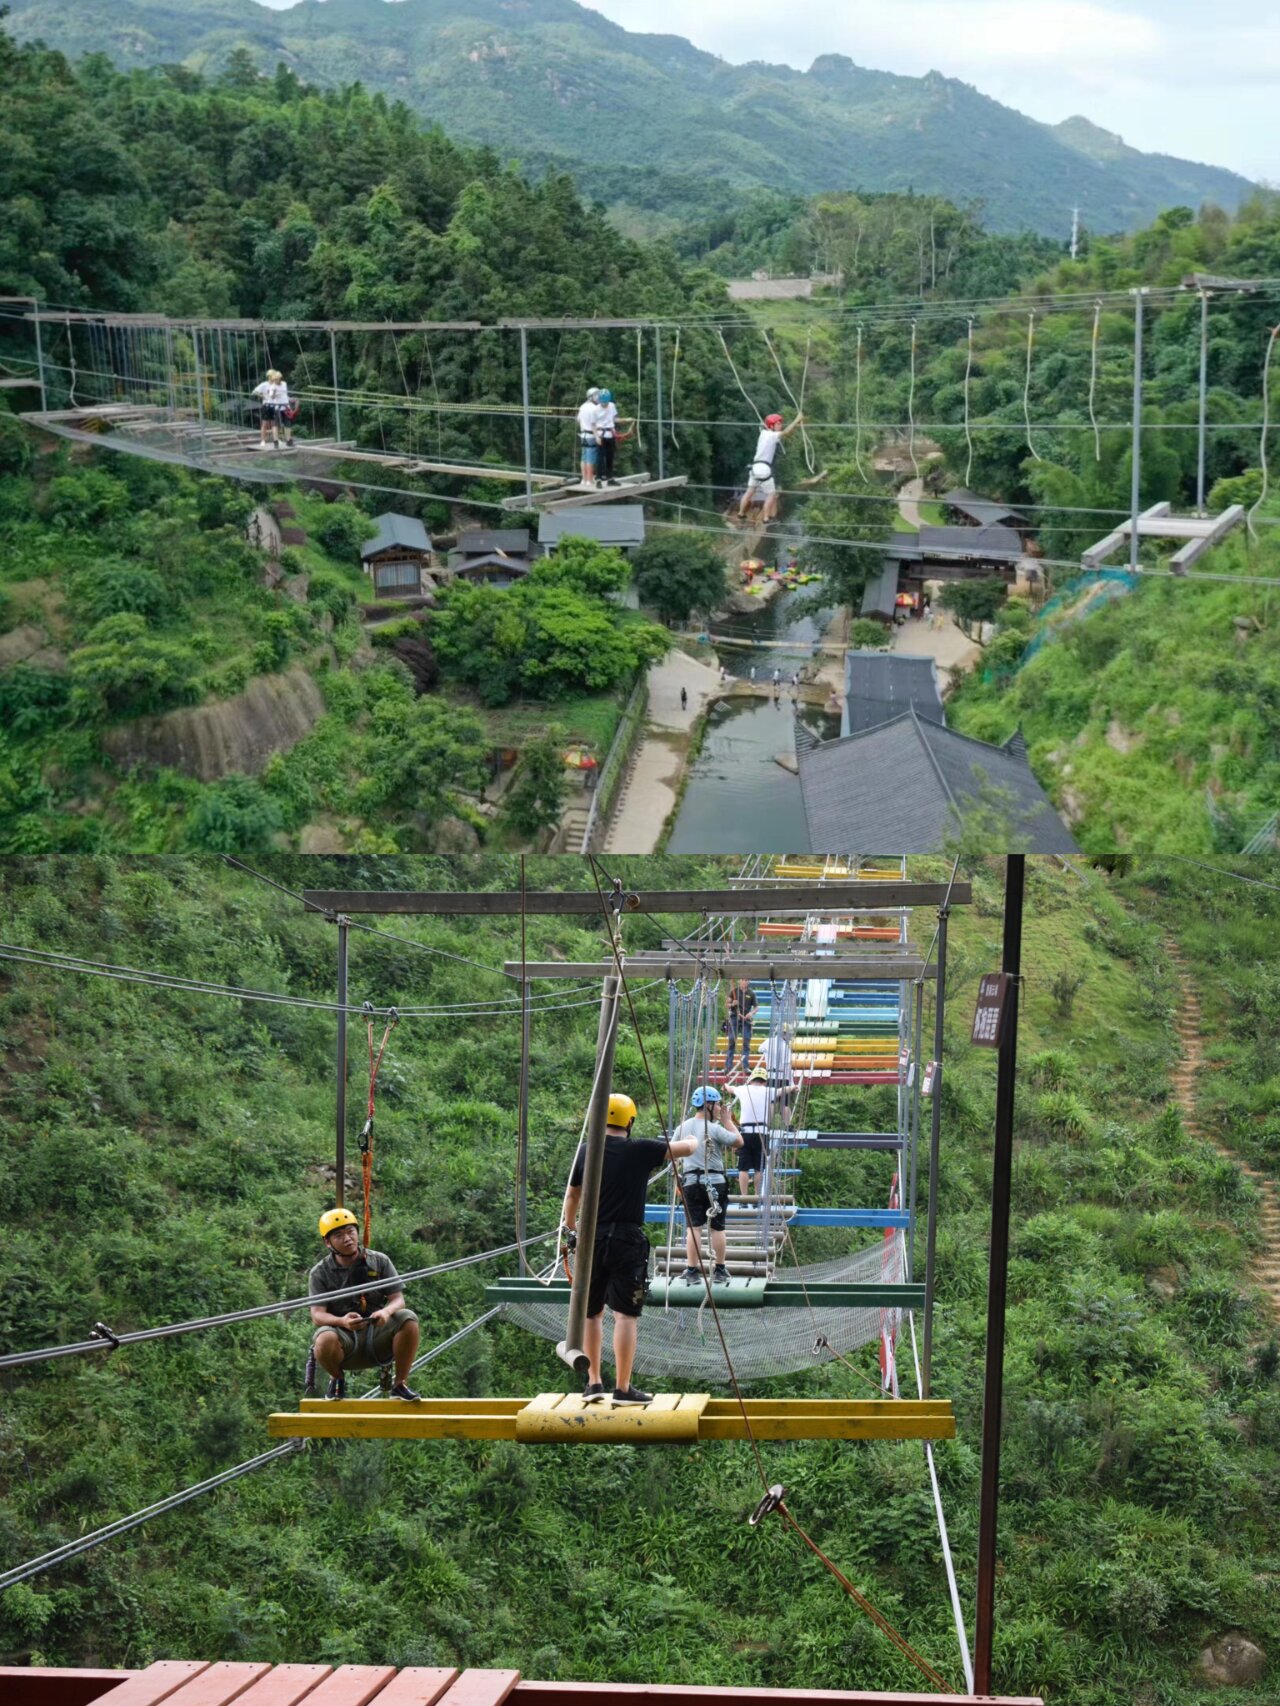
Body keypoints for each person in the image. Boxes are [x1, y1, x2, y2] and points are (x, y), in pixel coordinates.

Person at [563, 1092, 697, 1405]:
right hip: (626, 1240)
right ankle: (623, 1388)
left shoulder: (585, 1151)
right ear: (630, 1121)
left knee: (591, 1314)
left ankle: (593, 1383)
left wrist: (569, 1232)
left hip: (590, 1241)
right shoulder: (641, 1149)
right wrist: (692, 1136)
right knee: (625, 1316)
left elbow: (572, 1197)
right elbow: (687, 1148)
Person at [308, 1207, 421, 1401]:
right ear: (327, 1242)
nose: (347, 1239)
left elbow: (398, 1299)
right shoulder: (320, 1273)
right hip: (344, 1339)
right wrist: (342, 1321)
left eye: (351, 1231)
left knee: (408, 1318)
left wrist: (385, 1313)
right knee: (323, 1338)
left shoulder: (379, 1261)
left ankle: (400, 1384)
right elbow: (317, 1315)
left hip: (377, 1334)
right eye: (339, 1235)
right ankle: (337, 1380)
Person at [672, 1086, 742, 1286]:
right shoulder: (715, 1129)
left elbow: (673, 1152)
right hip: (715, 1183)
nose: (720, 1108)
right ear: (709, 1105)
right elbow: (739, 1141)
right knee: (717, 1227)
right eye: (718, 1104)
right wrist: (728, 1122)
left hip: (691, 1183)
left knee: (693, 1227)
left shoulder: (682, 1128)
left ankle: (692, 1270)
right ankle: (719, 1269)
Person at [738, 411, 804, 524]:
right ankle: (766, 518)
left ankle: (741, 513)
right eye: (778, 424)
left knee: (750, 491)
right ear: (771, 426)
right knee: (771, 494)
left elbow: (786, 433)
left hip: (754, 468)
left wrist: (796, 425)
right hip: (764, 469)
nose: (780, 426)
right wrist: (797, 420)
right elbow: (786, 433)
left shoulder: (763, 434)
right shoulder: (772, 435)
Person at [730, 1075, 774, 1198]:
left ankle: (744, 1197)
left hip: (745, 1133)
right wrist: (794, 1087)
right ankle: (757, 1197)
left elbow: (731, 1088)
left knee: (743, 1168)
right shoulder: (769, 1090)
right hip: (762, 1133)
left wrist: (726, 1087)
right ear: (764, 1082)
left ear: (750, 1080)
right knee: (759, 1168)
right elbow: (784, 1090)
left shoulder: (743, 1089)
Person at [761, 1023, 797, 1125]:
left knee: (771, 1102)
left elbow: (760, 1048)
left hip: (770, 1076)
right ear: (784, 1034)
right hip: (783, 1077)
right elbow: (787, 1068)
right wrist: (792, 1083)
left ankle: (766, 1125)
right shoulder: (785, 1048)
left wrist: (768, 1053)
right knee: (784, 1104)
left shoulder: (768, 1042)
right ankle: (788, 1125)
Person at [252, 369, 294, 451]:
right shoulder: (266, 385)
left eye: (275, 377)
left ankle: (280, 439)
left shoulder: (283, 384)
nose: (273, 379)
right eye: (272, 377)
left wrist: (289, 399)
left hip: (279, 406)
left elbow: (284, 394)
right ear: (269, 377)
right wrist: (262, 396)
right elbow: (255, 392)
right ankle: (263, 440)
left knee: (277, 424)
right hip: (268, 405)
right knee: (265, 423)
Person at [724, 977, 757, 1077]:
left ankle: (745, 1066)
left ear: (749, 981)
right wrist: (732, 1004)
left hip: (745, 1019)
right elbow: (726, 1004)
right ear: (740, 981)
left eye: (747, 980)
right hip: (734, 1017)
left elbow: (756, 1007)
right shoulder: (734, 991)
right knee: (732, 1041)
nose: (745, 981)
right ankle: (728, 1066)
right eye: (743, 979)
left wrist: (751, 1013)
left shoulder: (751, 993)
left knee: (746, 1041)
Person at [577, 387, 602, 484]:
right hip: (591, 435)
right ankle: (590, 480)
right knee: (590, 459)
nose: (598, 397)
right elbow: (595, 424)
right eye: (596, 395)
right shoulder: (594, 408)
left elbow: (578, 420)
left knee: (584, 458)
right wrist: (597, 436)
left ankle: (584, 479)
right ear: (591, 397)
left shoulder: (582, 406)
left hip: (583, 435)